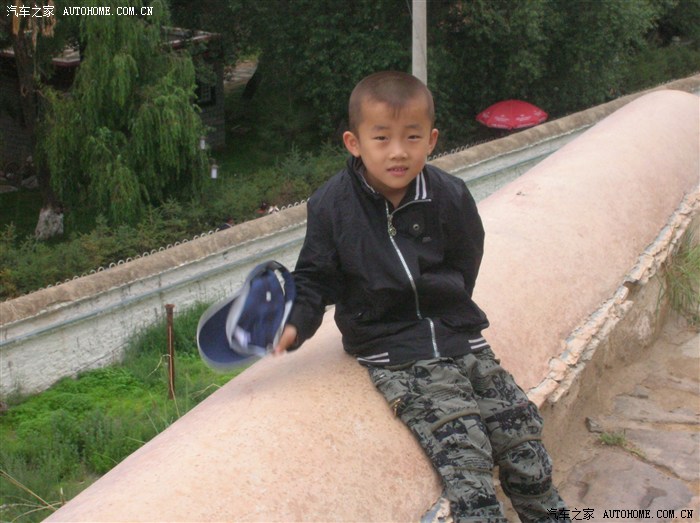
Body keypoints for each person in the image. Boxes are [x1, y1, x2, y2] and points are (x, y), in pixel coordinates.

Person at [274, 71, 569, 522]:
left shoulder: (449, 195)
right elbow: (314, 276)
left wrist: (448, 308)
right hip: (394, 350)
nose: (398, 151)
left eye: (412, 137)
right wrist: (295, 322)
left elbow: (466, 259)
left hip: (461, 338)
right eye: (382, 138)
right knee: (466, 459)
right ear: (354, 143)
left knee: (524, 443)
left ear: (431, 140)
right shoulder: (333, 205)